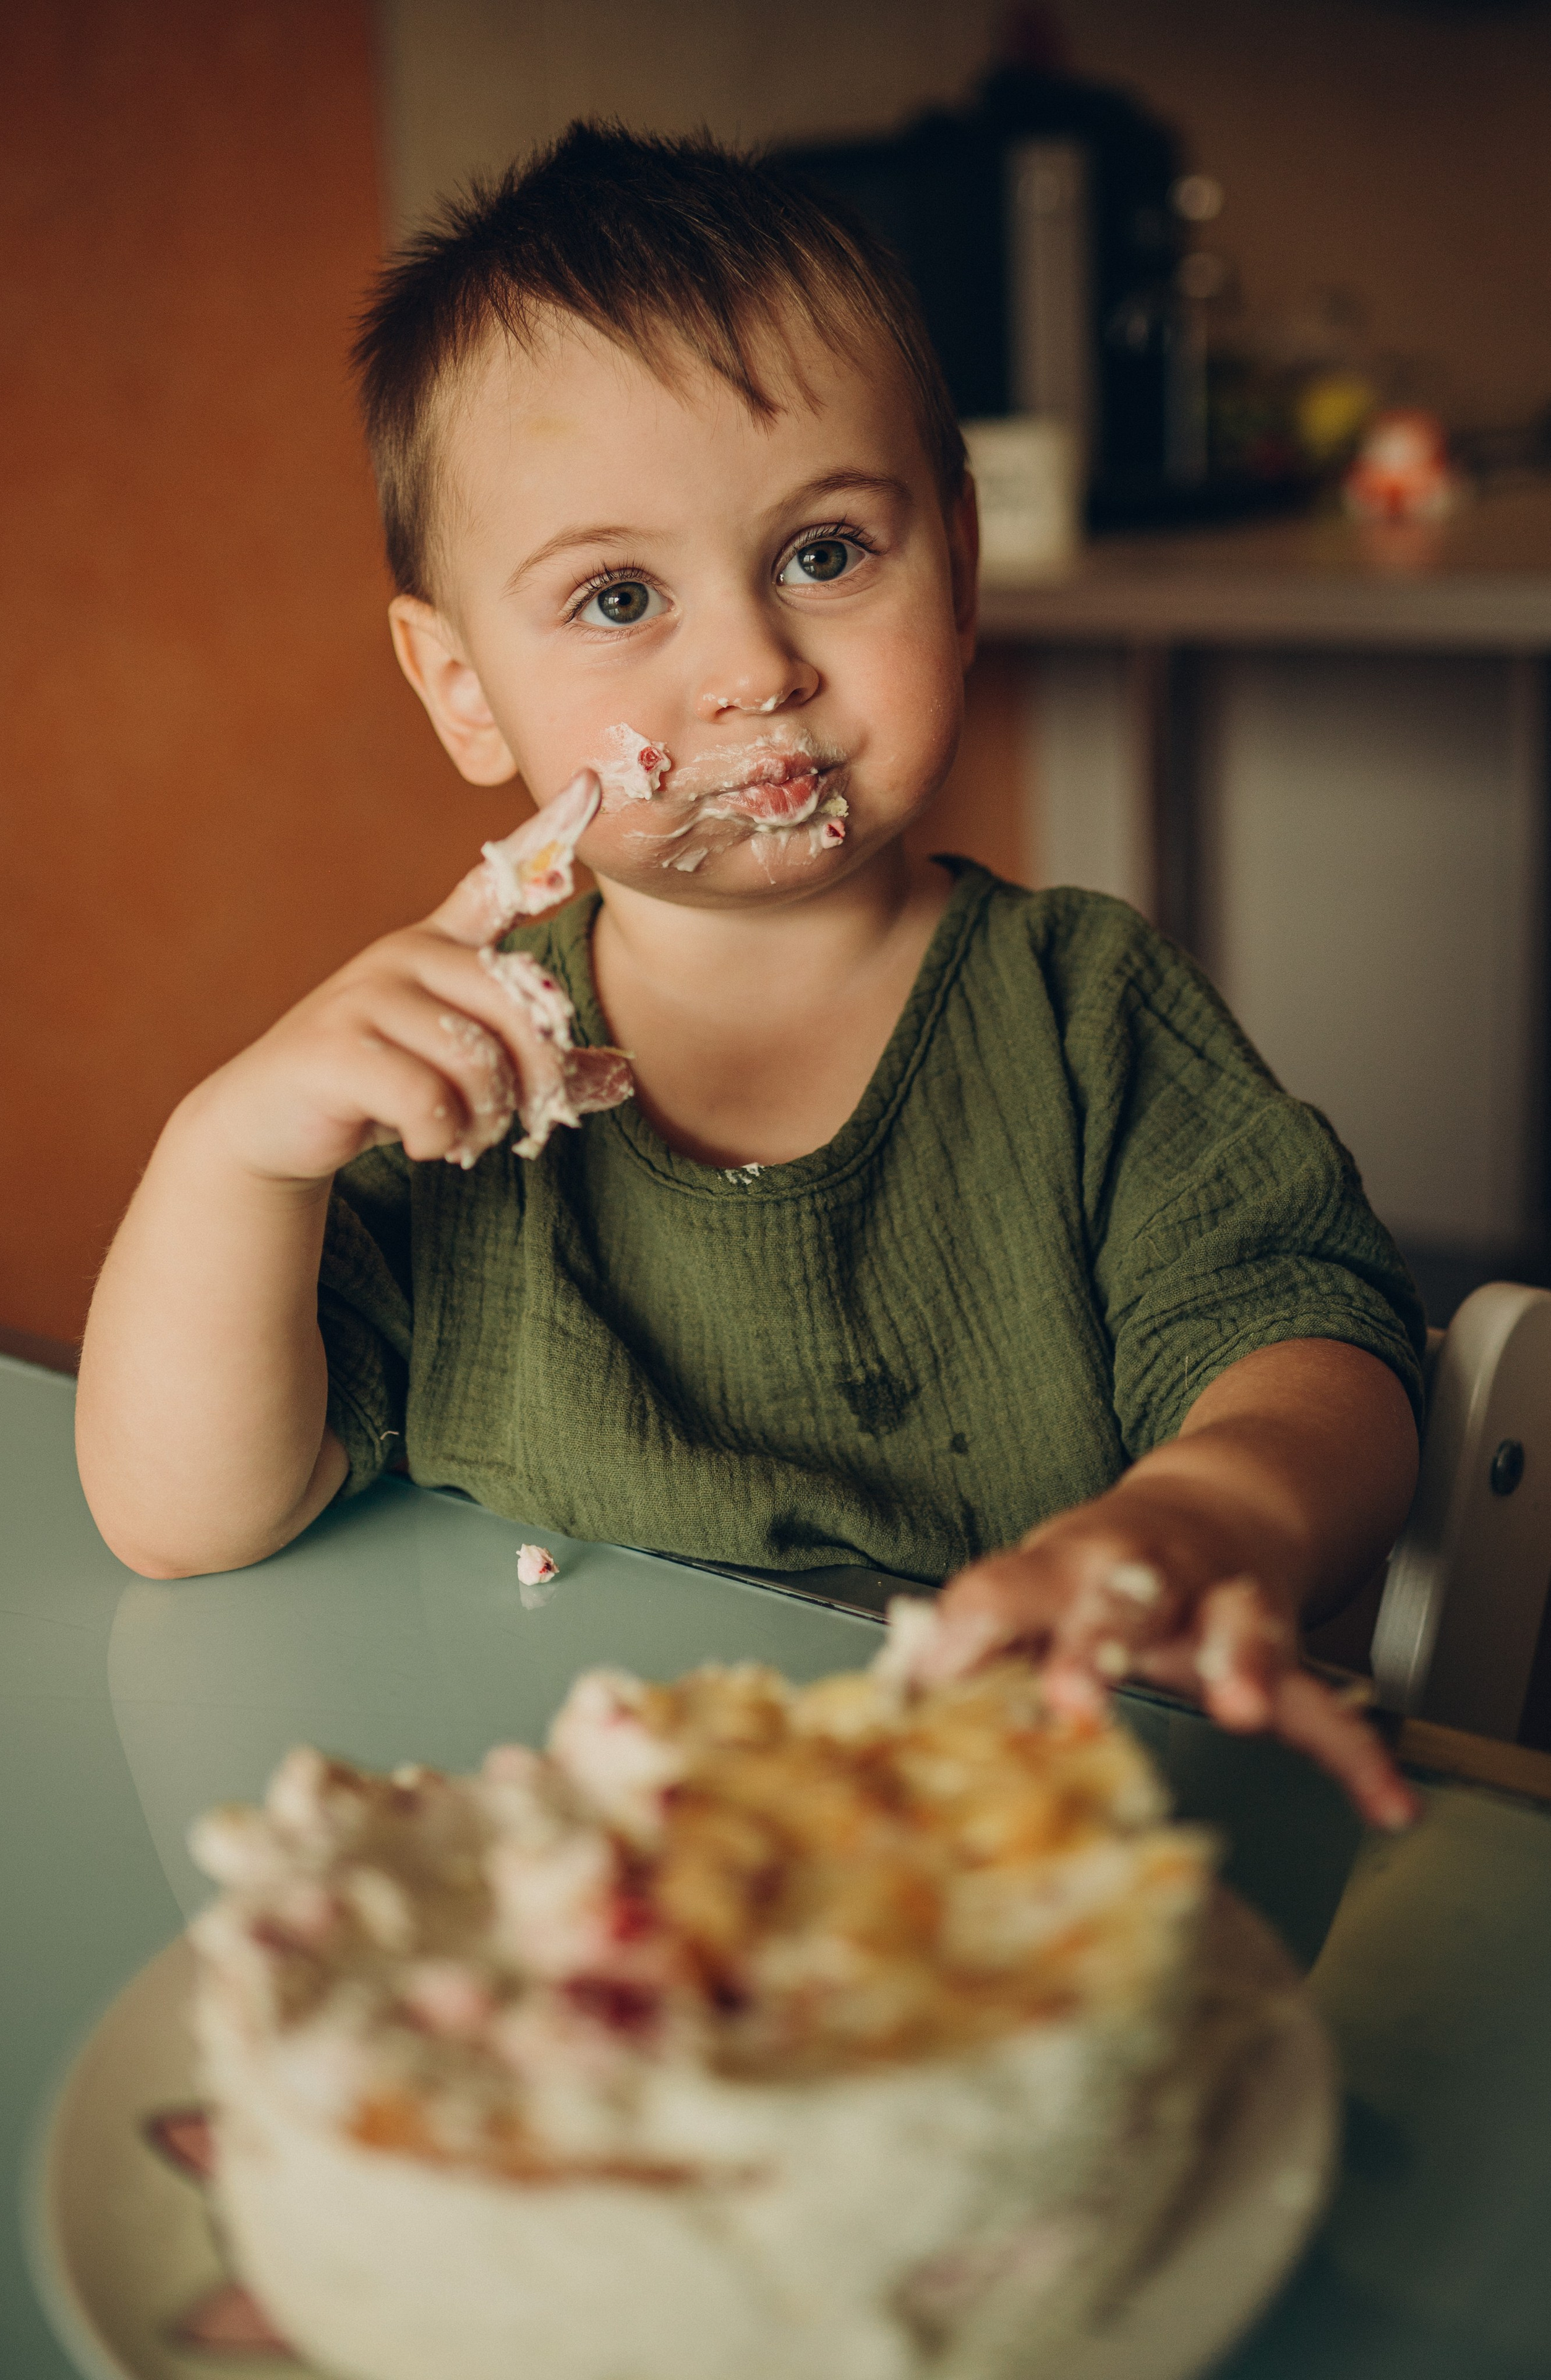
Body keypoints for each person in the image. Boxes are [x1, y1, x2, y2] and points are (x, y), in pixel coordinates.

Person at [76, 122, 1425, 1831]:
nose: (754, 669)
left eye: (825, 555)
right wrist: (228, 1158)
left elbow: (1325, 1351)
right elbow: (187, 1521)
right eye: (621, 594)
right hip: (563, 1879)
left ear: (959, 566)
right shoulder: (451, 1074)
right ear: (463, 685)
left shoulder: (1085, 1014)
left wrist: (1206, 1514)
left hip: (1001, 1852)